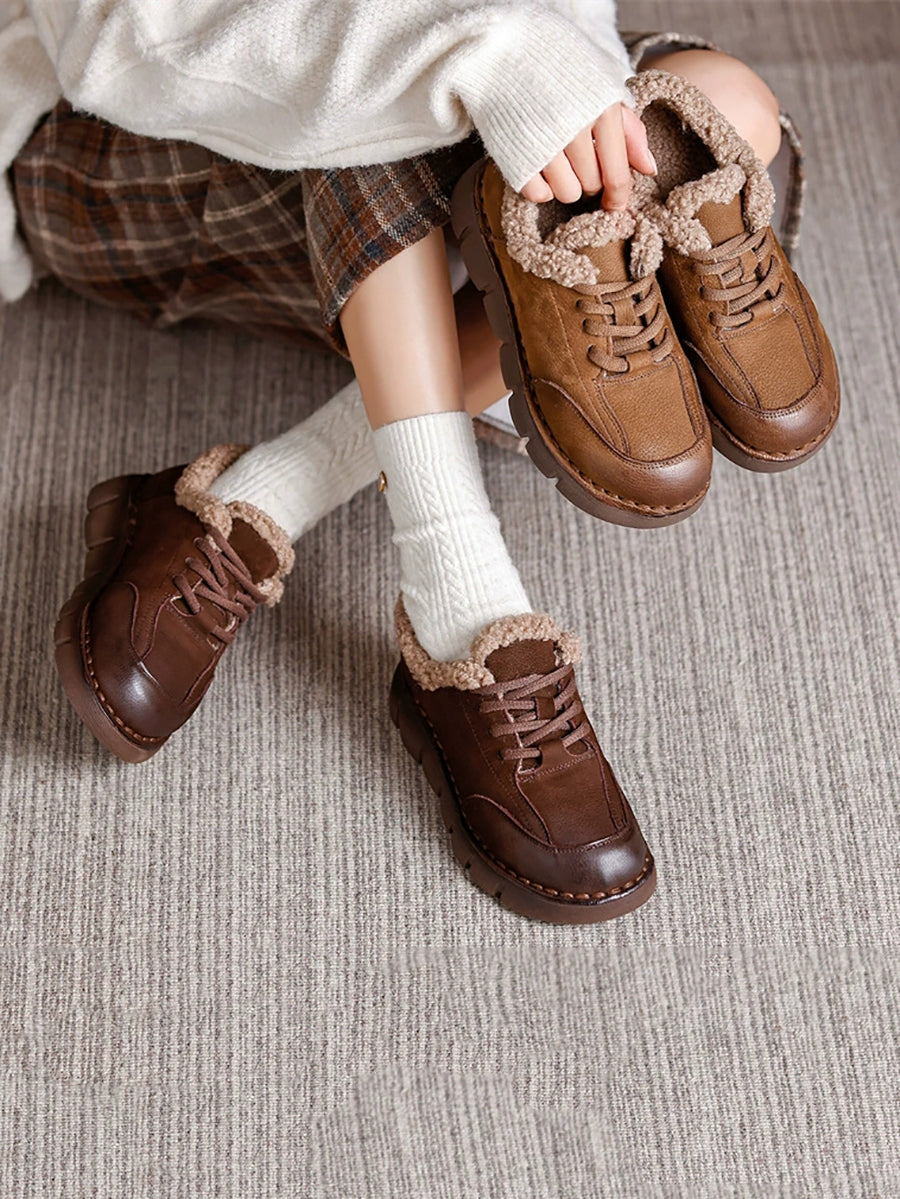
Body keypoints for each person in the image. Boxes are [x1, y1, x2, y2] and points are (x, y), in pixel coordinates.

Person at [1, 2, 830, 921]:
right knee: (376, 61)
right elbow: (113, 35)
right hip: (117, 151)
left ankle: (276, 486)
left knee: (718, 108)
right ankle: (462, 604)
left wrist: (547, 75)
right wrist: (491, 53)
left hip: (393, 201)